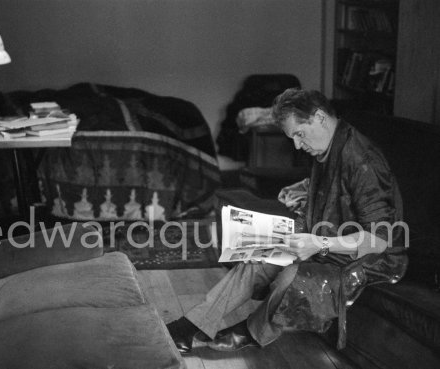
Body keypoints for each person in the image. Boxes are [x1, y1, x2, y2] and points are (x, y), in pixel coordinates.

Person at [166, 88, 407, 353]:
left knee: (291, 277)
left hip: (368, 261)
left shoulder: (363, 162)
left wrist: (319, 244)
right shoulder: (327, 147)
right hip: (327, 242)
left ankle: (246, 332)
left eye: (299, 134)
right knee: (257, 258)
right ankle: (187, 328)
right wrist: (304, 191)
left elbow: (380, 240)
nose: (296, 145)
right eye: (292, 137)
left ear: (320, 118)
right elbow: (339, 197)